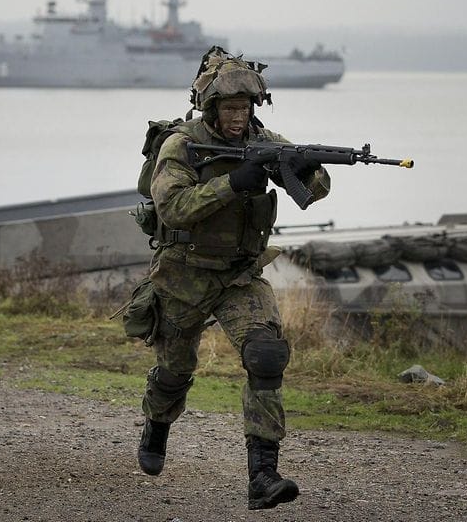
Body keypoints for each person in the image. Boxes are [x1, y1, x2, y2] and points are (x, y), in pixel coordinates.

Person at [136, 47, 331, 510]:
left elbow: (317, 190)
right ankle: (157, 424)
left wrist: (305, 168)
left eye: (244, 107)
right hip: (184, 273)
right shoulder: (181, 145)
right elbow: (173, 207)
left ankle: (263, 476)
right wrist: (234, 183)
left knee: (266, 356)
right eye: (229, 107)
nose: (238, 116)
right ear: (211, 108)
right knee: (175, 371)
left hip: (240, 275)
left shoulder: (265, 139)